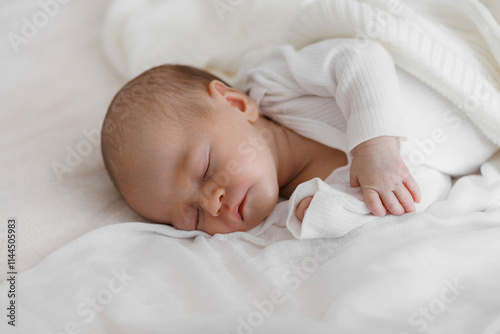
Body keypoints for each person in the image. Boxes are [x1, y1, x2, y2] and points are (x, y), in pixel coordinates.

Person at [101, 38, 498, 236]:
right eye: (192, 217)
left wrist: (374, 144)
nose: (212, 201)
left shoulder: (277, 85)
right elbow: (418, 189)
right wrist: (333, 209)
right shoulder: (303, 201)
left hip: (469, 57)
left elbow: (361, 57)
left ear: (236, 104)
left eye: (204, 168)